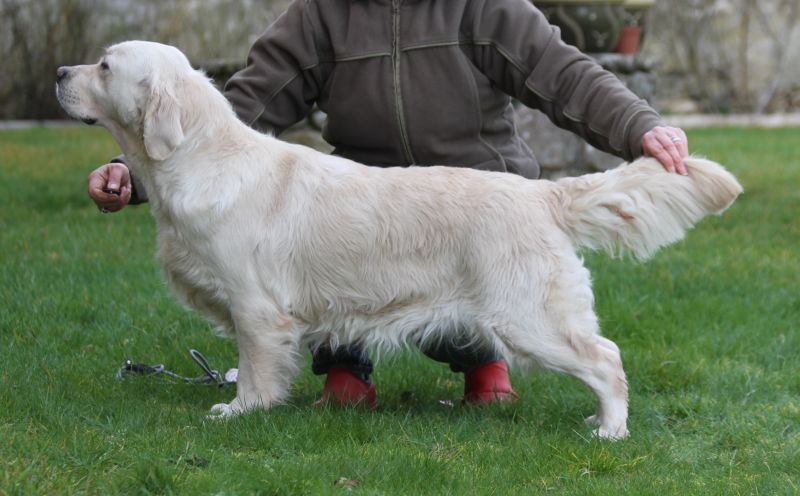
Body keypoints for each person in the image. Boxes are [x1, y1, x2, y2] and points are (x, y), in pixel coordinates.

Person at [88, 0, 689, 409]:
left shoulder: (484, 6)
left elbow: (564, 75)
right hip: (358, 204)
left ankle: (484, 366)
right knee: (317, 245)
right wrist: (133, 173)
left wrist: (639, 127)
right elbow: (238, 108)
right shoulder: (323, 12)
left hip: (477, 198)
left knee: (495, 302)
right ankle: (345, 371)